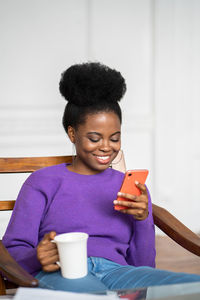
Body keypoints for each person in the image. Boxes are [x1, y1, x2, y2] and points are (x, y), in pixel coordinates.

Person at [2, 62, 200, 293]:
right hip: (62, 272)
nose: (106, 147)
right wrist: (37, 257)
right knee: (93, 295)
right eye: (95, 138)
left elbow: (143, 266)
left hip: (117, 272)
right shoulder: (42, 182)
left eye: (114, 138)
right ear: (72, 133)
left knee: (190, 288)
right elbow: (12, 250)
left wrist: (143, 219)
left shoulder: (128, 187)